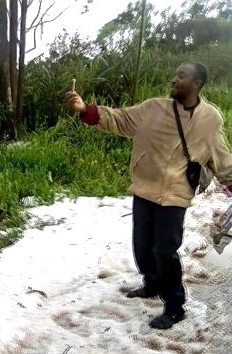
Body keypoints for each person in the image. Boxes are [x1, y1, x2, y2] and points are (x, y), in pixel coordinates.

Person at [65, 61, 232, 329]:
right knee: (142, 247)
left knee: (165, 250)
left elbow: (221, 157)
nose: (174, 79)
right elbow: (119, 118)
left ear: (197, 84)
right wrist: (86, 110)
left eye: (181, 76)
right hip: (145, 188)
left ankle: (175, 306)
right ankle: (152, 284)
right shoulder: (153, 108)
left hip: (175, 194)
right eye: (175, 73)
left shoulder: (210, 119)